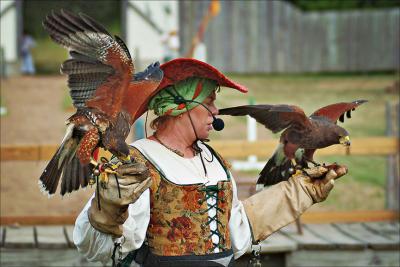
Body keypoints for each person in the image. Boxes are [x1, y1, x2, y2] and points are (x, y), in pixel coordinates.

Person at [73, 58, 347, 267]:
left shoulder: (213, 161)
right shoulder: (137, 161)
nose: (216, 111)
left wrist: (303, 190)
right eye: (209, 102)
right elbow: (95, 246)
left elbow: (238, 230)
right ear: (182, 107)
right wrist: (107, 211)